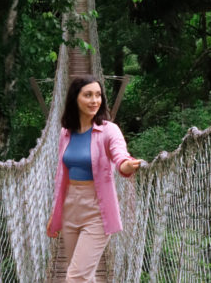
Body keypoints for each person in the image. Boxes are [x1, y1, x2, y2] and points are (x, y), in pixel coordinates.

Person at [46, 75, 142, 282]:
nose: (94, 101)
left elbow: (119, 155)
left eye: (98, 95)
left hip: (97, 211)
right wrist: (56, 214)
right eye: (88, 95)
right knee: (83, 276)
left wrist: (126, 165)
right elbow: (61, 176)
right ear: (75, 99)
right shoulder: (66, 133)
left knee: (75, 277)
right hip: (70, 209)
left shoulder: (109, 130)